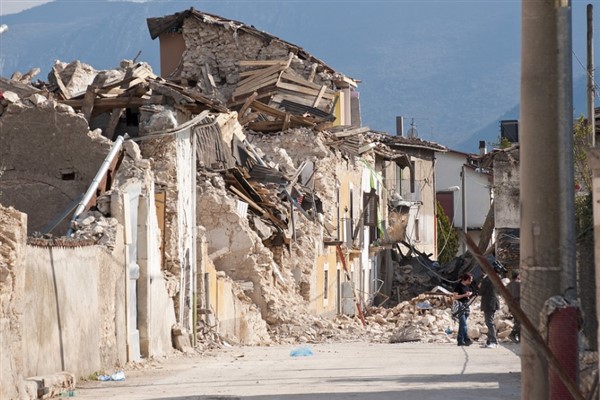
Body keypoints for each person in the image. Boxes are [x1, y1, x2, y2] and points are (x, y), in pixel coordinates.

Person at [479, 268, 501, 348]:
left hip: (489, 303)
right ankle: (489, 341)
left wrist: (479, 286)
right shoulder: (496, 279)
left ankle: (493, 341)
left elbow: (481, 292)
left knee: (489, 322)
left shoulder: (486, 280)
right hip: (493, 303)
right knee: (490, 322)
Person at [453, 273, 474, 346]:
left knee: (462, 324)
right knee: (464, 324)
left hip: (466, 306)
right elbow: (455, 297)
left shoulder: (467, 286)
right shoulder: (458, 286)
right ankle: (466, 339)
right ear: (466, 279)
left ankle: (460, 340)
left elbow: (469, 292)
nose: (471, 281)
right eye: (470, 280)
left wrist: (469, 294)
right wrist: (464, 295)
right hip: (460, 307)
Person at [506, 270, 521, 343]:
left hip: (511, 305)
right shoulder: (519, 284)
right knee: (520, 322)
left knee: (517, 321)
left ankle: (520, 338)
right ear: (518, 275)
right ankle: (512, 334)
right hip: (519, 304)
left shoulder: (508, 285)